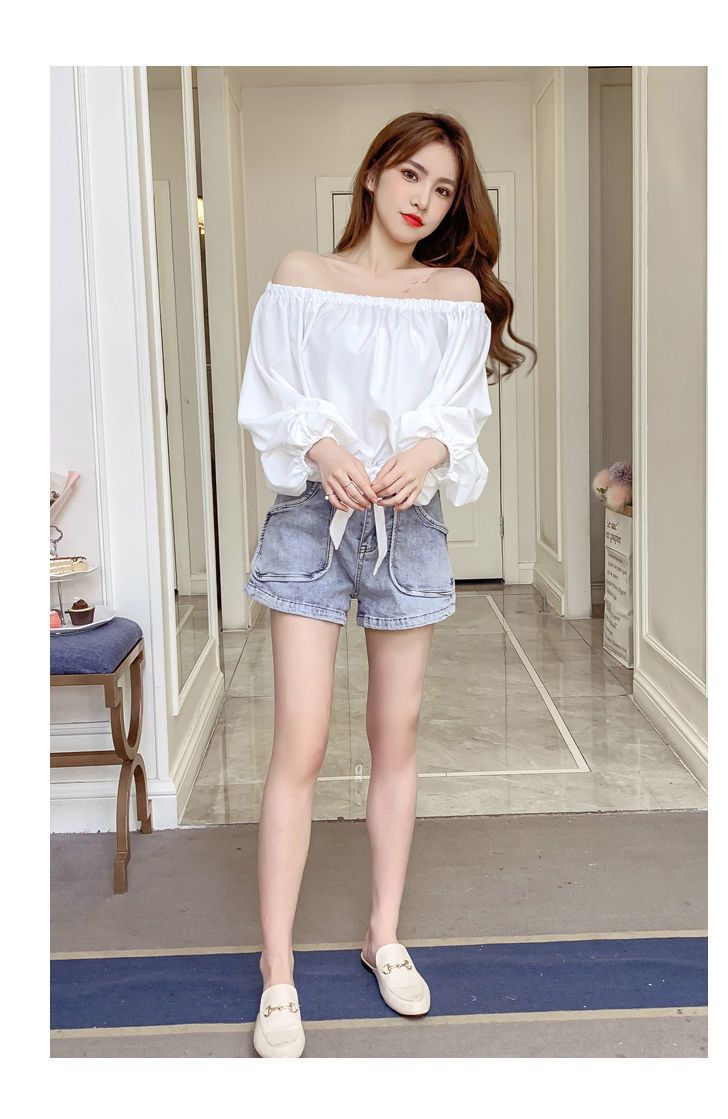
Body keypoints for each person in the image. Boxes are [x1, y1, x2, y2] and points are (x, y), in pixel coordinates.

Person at [237, 110, 536, 1058]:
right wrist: (324, 447)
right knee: (301, 737)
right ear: (373, 174)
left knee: (395, 732)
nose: (424, 200)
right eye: (412, 175)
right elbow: (274, 396)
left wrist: (427, 449)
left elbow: (460, 411)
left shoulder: (453, 292)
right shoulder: (301, 276)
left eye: (444, 190)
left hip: (406, 528)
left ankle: (384, 934)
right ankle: (278, 971)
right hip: (310, 520)